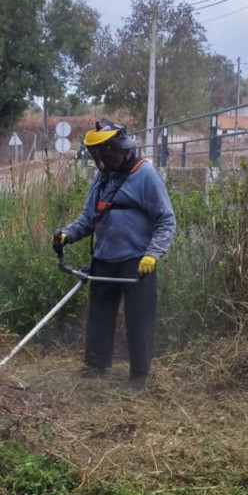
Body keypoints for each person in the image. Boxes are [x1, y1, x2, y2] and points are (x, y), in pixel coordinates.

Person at [52, 118, 176, 391]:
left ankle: (138, 376)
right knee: (100, 314)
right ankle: (96, 367)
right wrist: (67, 234)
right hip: (104, 257)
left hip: (137, 261)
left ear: (121, 149)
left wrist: (153, 254)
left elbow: (166, 220)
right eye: (97, 155)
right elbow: (88, 218)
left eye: (104, 154)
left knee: (139, 320)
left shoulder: (146, 175)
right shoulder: (101, 177)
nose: (100, 160)